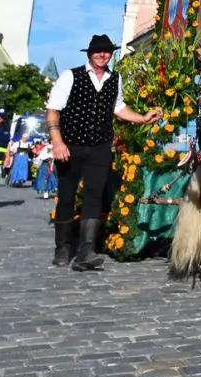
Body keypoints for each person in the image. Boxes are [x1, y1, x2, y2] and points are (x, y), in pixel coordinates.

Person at [46, 34, 163, 270]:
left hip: (99, 146)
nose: (103, 55)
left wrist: (141, 118)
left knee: (94, 196)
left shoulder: (114, 78)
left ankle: (86, 251)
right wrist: (57, 142)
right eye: (98, 51)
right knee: (67, 196)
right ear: (89, 54)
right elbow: (53, 111)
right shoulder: (71, 76)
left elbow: (118, 107)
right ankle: (62, 247)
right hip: (71, 145)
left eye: (107, 51)